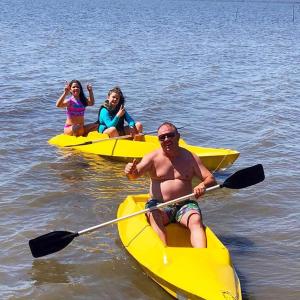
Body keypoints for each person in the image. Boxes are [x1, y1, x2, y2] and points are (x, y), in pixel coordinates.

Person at [124, 122, 216, 248]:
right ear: (159, 140)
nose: (166, 139)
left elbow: (210, 178)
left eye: (170, 135)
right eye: (162, 137)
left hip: (184, 205)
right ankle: (164, 252)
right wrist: (130, 170)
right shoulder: (152, 157)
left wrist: (203, 185)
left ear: (178, 136)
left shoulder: (190, 157)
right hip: (159, 206)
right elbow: (134, 175)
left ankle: (203, 254)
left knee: (195, 219)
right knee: (154, 215)